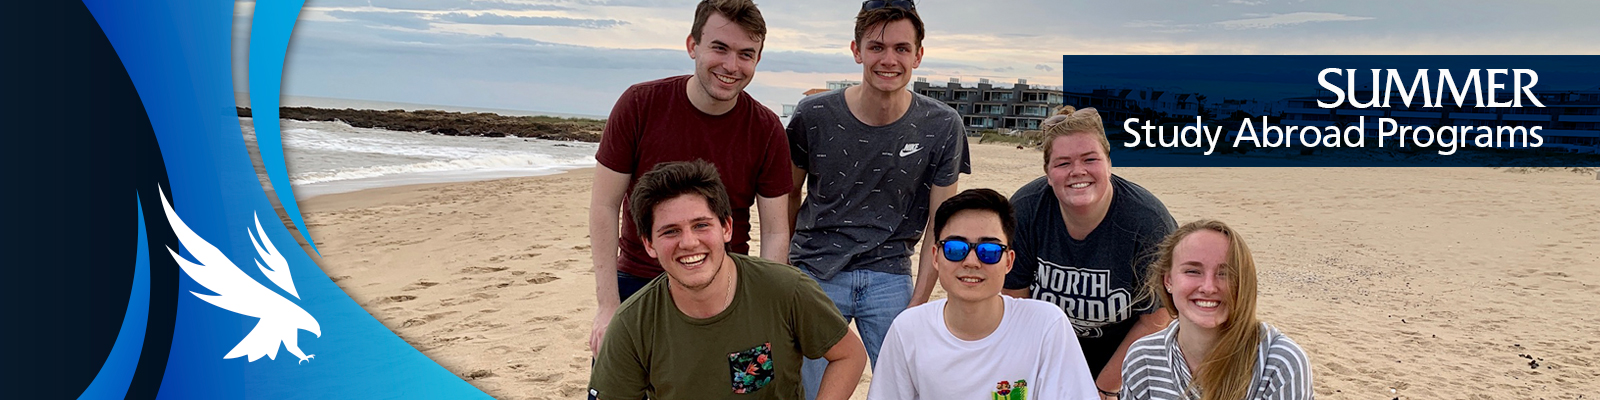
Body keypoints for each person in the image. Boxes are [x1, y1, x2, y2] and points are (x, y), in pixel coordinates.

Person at [588, 0, 793, 361]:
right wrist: (608, 306)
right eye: (720, 48)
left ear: (757, 60)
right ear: (692, 45)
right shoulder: (639, 104)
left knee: (748, 386)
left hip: (728, 288)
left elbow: (776, 231)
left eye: (746, 54)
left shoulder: (766, 128)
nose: (731, 66)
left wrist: (763, 307)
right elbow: (603, 206)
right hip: (639, 282)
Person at [785, 1, 970, 397]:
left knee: (908, 388)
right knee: (810, 391)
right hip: (816, 271)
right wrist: (789, 275)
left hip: (890, 272)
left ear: (918, 55)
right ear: (857, 51)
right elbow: (786, 198)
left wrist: (918, 304)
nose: (889, 59)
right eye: (876, 47)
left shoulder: (942, 125)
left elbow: (941, 225)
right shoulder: (812, 115)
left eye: (901, 49)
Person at [589, 160, 868, 400]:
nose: (689, 242)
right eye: (670, 231)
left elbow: (849, 355)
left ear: (726, 228)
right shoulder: (632, 324)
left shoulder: (785, 289)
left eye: (701, 225)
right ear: (649, 244)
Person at [1002, 106, 1177, 399]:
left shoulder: (1147, 222)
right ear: (1047, 173)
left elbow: (1157, 318)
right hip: (1048, 349)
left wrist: (1105, 387)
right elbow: (1013, 298)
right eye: (1063, 163)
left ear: (1109, 163)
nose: (1077, 171)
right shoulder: (1026, 209)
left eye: (1090, 159)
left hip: (1125, 354)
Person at [867, 189, 1097, 400]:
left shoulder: (1045, 324)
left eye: (989, 251)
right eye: (955, 249)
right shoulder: (909, 329)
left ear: (1009, 261)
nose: (971, 262)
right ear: (935, 256)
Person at [1120, 220, 1313, 400]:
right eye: (1193, 271)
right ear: (1168, 280)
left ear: (1242, 282)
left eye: (1225, 273)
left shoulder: (1279, 363)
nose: (1209, 287)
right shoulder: (1144, 359)